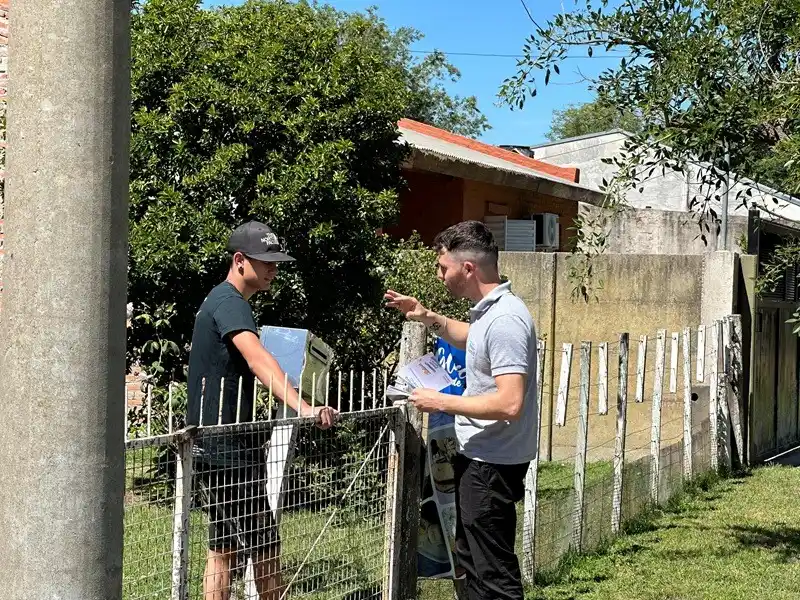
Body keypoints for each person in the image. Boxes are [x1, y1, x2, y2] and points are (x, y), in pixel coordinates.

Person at [385, 220, 537, 600]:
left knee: (494, 576)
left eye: (443, 267)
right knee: (471, 565)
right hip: (481, 459)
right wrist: (427, 317)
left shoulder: (504, 320)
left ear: (467, 268)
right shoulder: (490, 313)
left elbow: (510, 403)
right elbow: (470, 338)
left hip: (492, 465)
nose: (440, 275)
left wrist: (440, 402)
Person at [187, 220, 337, 600]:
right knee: (266, 547)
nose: (274, 269)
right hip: (226, 449)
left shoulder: (218, 300)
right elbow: (258, 360)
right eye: (265, 261)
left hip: (210, 442)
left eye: (276, 262)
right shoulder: (231, 303)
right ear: (240, 260)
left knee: (222, 547)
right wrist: (304, 407)